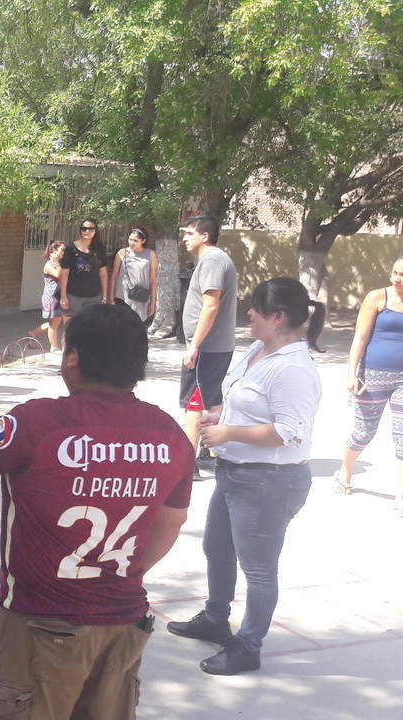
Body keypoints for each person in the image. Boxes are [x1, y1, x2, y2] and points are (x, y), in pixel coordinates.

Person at [0, 304, 194, 720]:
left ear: (72, 356)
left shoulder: (39, 422)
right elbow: (171, 524)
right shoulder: (169, 435)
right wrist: (115, 574)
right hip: (123, 624)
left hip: (41, 625)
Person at [166, 277, 321, 675]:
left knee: (259, 569)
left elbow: (288, 432)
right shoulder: (258, 349)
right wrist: (220, 416)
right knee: (217, 548)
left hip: (269, 480)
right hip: (235, 473)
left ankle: (249, 645)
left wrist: (229, 433)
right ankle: (216, 618)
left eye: (256, 309)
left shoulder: (293, 369)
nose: (248, 313)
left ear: (278, 317)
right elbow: (246, 402)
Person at [335, 254, 403, 508]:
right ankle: (345, 469)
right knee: (364, 431)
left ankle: (401, 494)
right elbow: (360, 338)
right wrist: (351, 373)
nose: (398, 278)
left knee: (402, 437)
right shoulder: (377, 298)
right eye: (395, 272)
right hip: (373, 375)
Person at [179, 214, 238, 475]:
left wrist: (194, 345)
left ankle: (186, 464)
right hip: (212, 347)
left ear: (205, 236)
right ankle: (212, 453)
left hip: (207, 348)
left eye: (189, 233)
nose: (184, 238)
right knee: (212, 401)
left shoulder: (213, 260)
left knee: (194, 402)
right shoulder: (213, 259)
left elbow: (211, 305)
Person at [58, 217, 109, 318]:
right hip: (73, 296)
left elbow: (103, 274)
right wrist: (63, 296)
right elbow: (64, 274)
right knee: (71, 325)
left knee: (91, 325)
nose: (87, 231)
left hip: (94, 297)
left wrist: (104, 296)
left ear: (95, 231)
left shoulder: (100, 249)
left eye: (90, 229)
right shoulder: (70, 249)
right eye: (84, 228)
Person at [109, 227, 159, 327]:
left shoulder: (151, 254)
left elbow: (153, 280)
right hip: (122, 297)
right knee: (122, 327)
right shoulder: (122, 253)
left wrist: (153, 302)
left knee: (139, 327)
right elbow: (114, 277)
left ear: (143, 241)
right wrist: (111, 298)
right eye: (130, 239)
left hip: (141, 298)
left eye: (135, 240)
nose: (131, 243)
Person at [29, 241, 66, 352]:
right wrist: (58, 262)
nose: (64, 252)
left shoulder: (59, 264)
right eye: (62, 250)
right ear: (54, 250)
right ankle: (53, 347)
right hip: (51, 297)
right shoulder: (49, 265)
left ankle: (32, 334)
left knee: (55, 322)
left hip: (58, 296)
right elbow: (58, 275)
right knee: (54, 324)